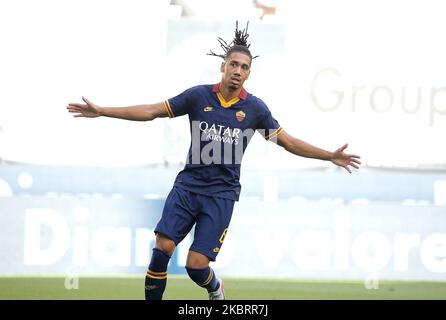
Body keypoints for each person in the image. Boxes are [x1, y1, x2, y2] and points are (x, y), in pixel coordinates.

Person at [67, 22, 361, 300]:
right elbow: (152, 111)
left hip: (221, 194)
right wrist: (104, 110)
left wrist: (329, 155)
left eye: (244, 67)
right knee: (163, 248)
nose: (238, 70)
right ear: (223, 66)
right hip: (187, 187)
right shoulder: (198, 97)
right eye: (233, 64)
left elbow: (288, 142)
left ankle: (215, 287)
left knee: (196, 266)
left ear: (248, 74)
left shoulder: (255, 110)